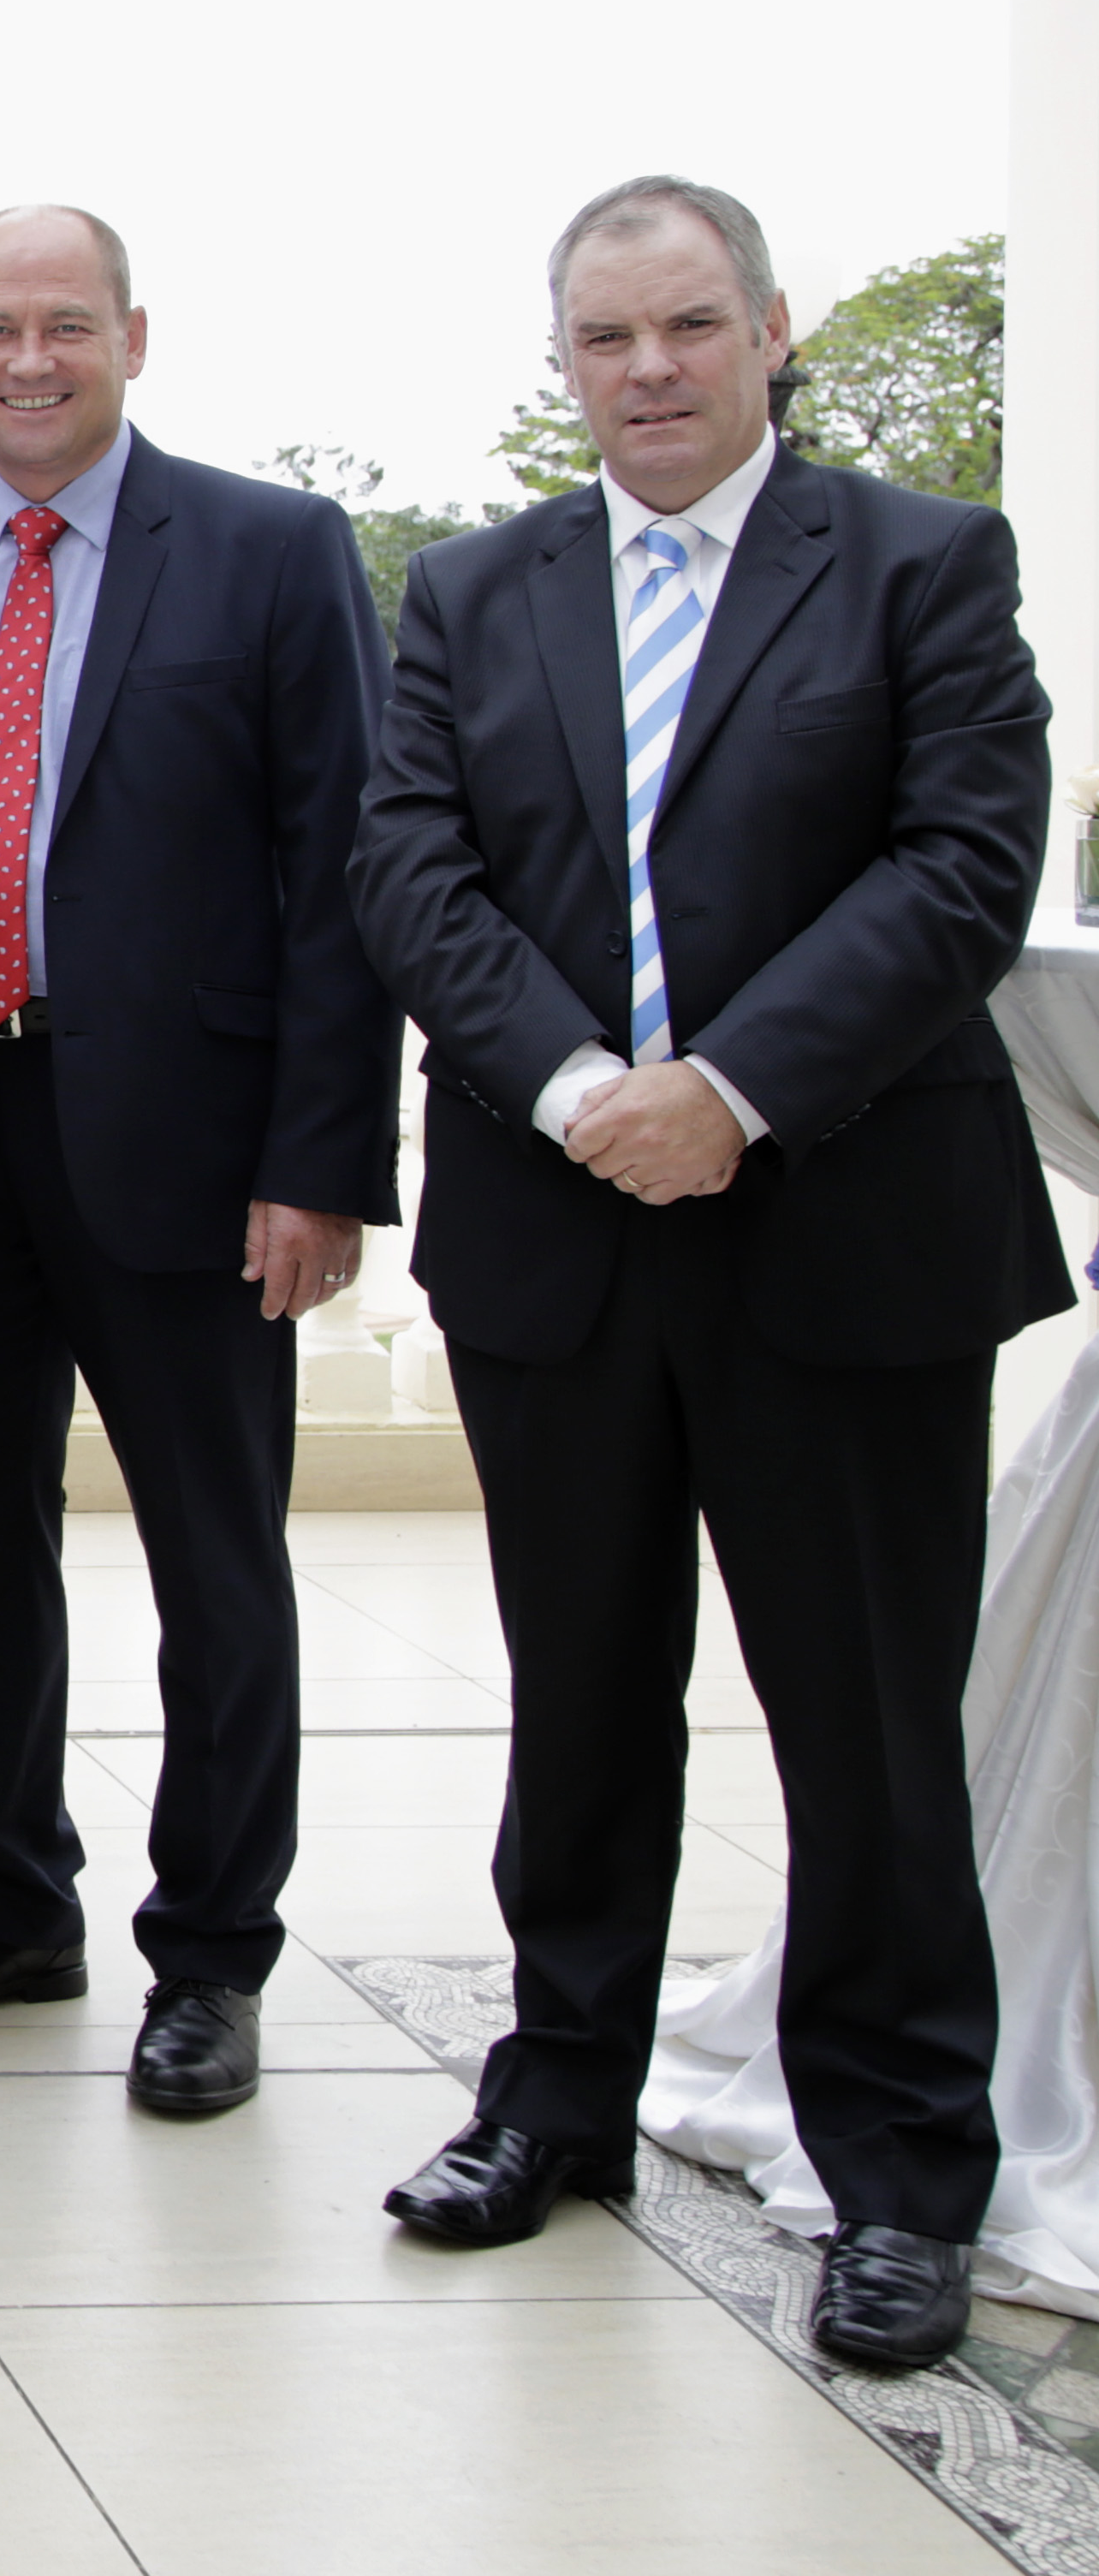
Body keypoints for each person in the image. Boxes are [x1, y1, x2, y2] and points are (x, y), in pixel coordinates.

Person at [353, 174, 1062, 2371]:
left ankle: (899, 2168)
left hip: (843, 1229)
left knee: (863, 1723)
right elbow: (407, 864)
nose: (644, 371)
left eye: (683, 327)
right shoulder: (469, 591)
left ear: (768, 330)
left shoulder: (922, 561)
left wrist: (727, 1091)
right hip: (554, 1225)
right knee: (576, 1698)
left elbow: (960, 864)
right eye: (603, 339)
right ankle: (555, 2094)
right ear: (561, 362)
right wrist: (585, 1091)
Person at [0, 205, 397, 2119]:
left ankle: (211, 1951)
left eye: (67, 324)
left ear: (133, 338)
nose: (30, 359)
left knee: (212, 1555)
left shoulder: (270, 549)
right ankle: (10, 1895)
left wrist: (320, 1159)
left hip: (188, 1140)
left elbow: (346, 869)